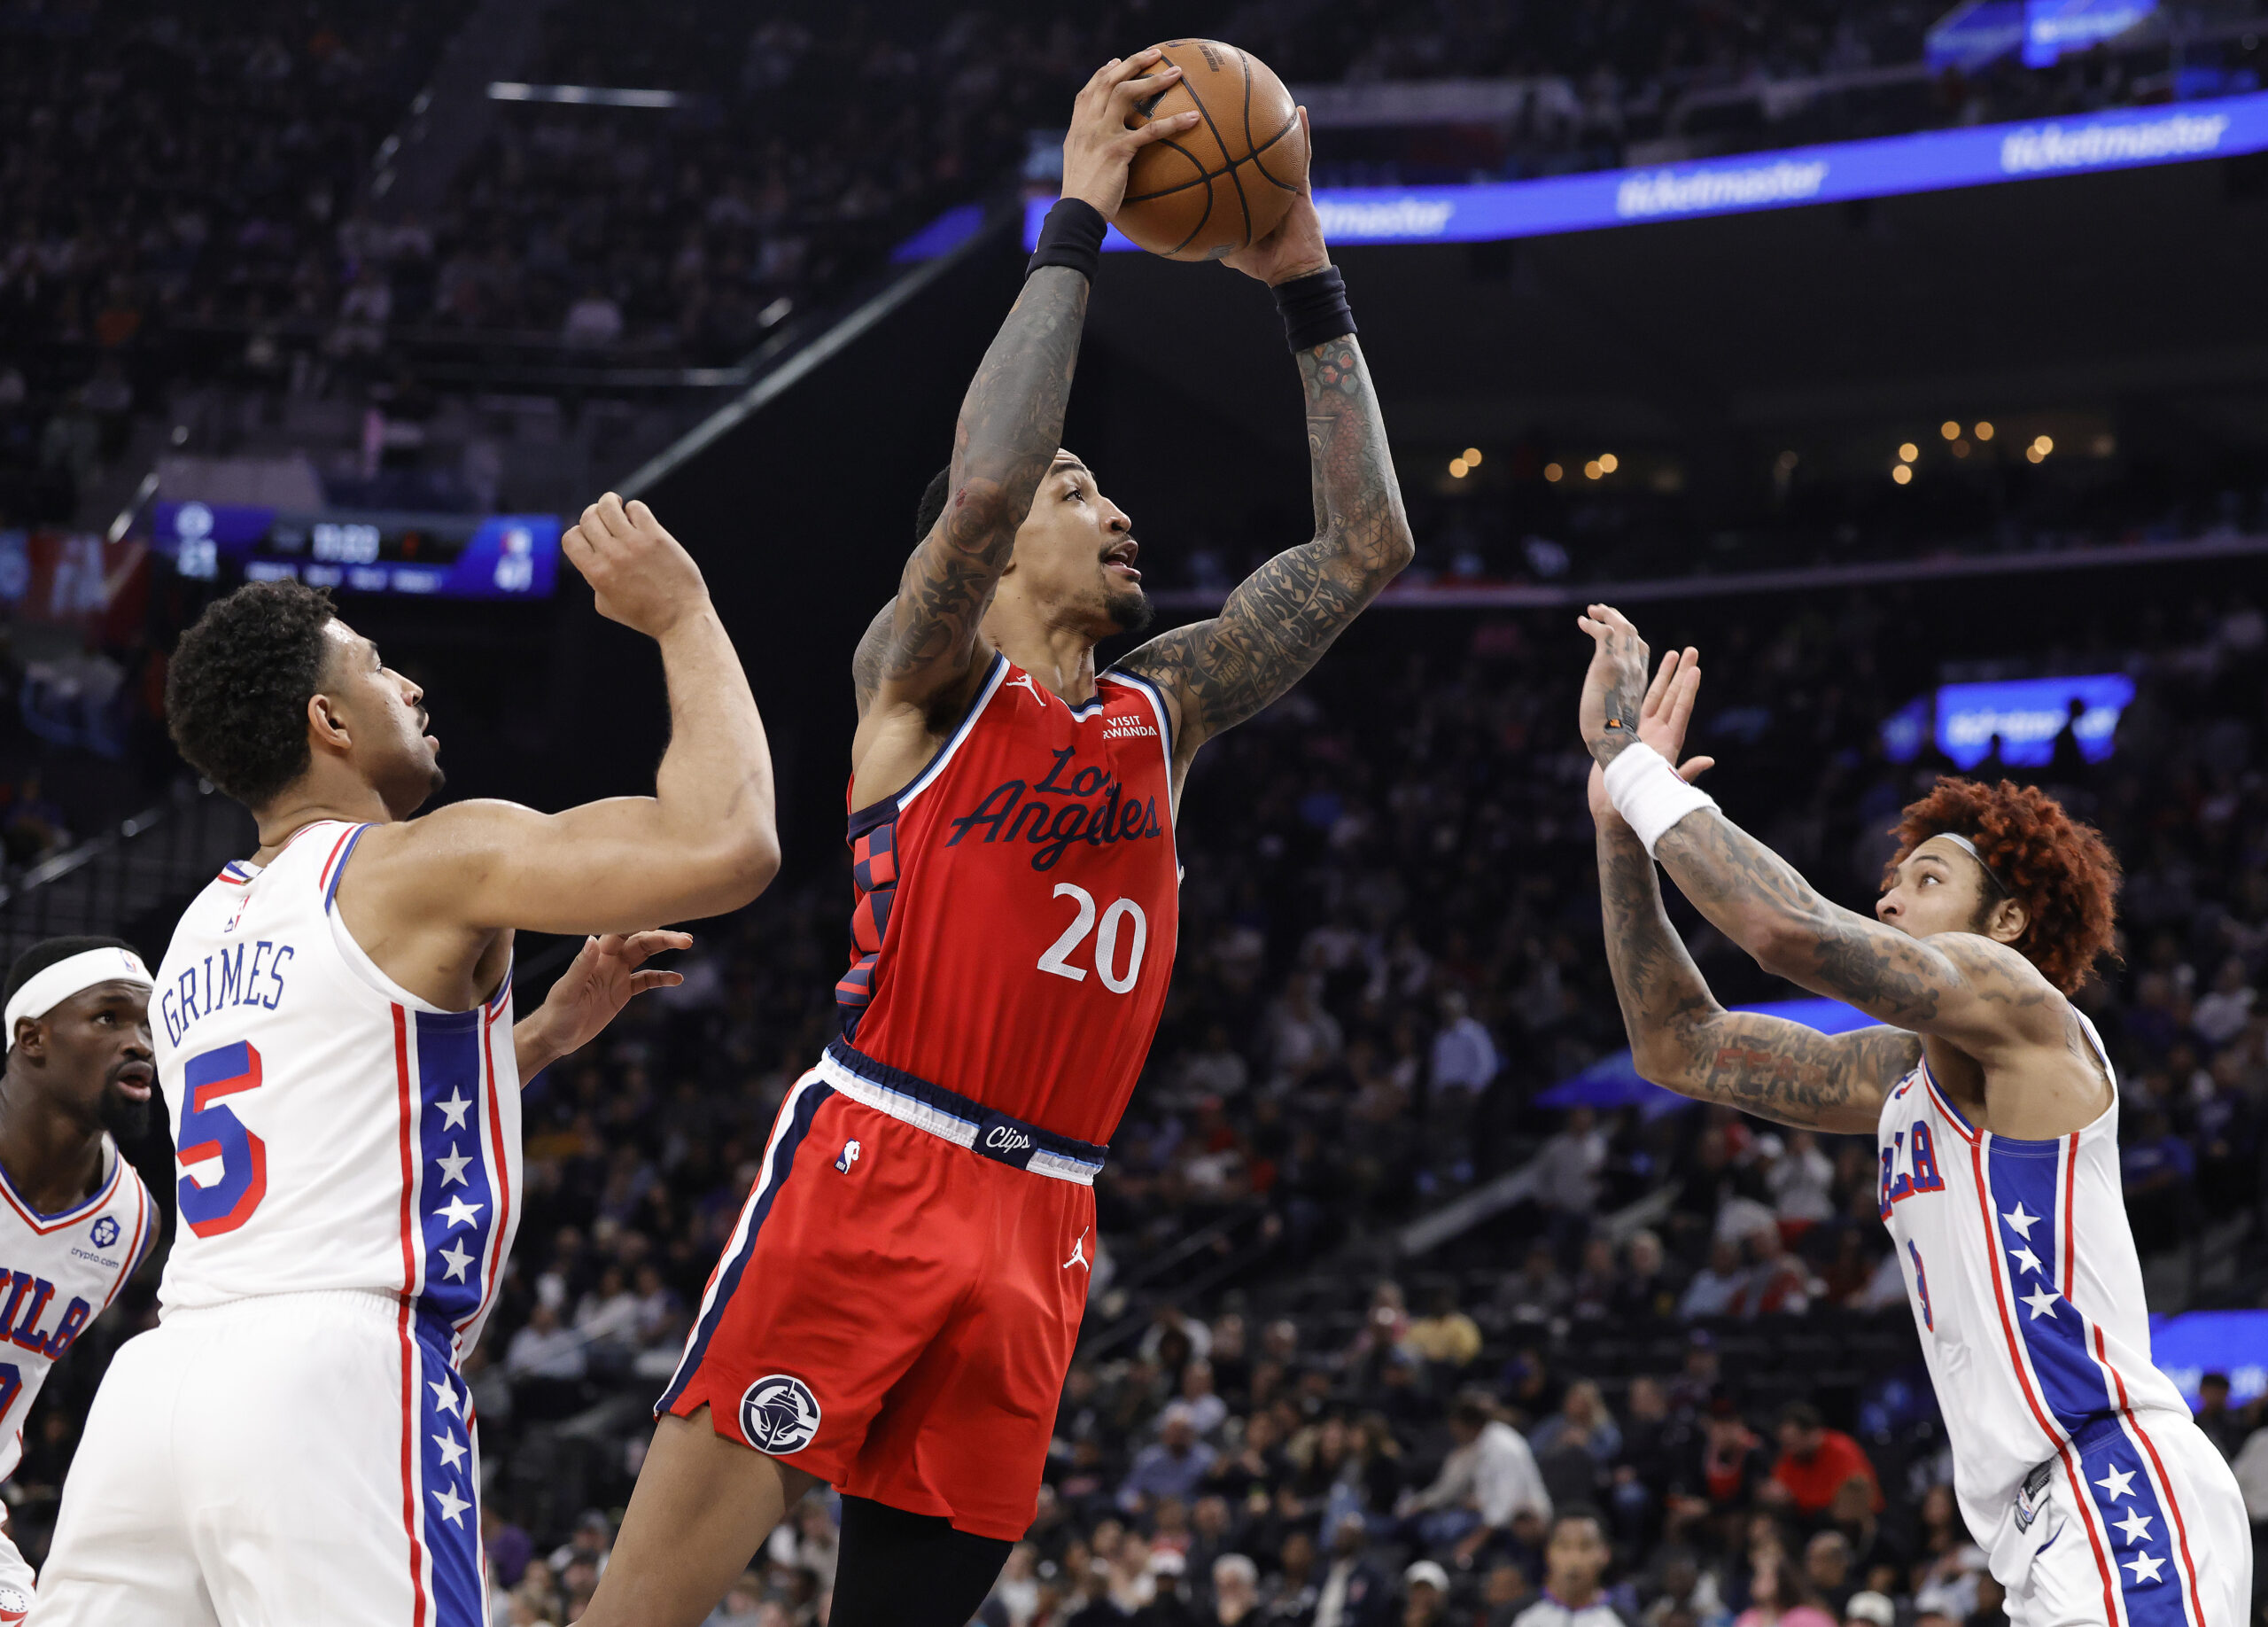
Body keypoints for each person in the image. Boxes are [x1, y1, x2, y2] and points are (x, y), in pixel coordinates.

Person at [582, 47, 1411, 1627]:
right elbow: (981, 486)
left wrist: (1304, 275)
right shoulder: (922, 678)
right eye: (1081, 489)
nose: (1116, 514)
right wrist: (1078, 222)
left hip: (1049, 1219)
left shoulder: (1164, 713)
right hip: (878, 1159)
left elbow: (1365, 543)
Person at [39, 492, 780, 1625]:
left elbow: (331, 1119)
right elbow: (727, 844)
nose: (415, 688)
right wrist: (683, 613)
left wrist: (535, 1039)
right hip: (331, 1381)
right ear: (328, 722)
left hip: (154, 1397)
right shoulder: (420, 863)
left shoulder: (198, 931)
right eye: (383, 669)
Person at [1578, 607, 2256, 1627]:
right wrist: (1617, 833)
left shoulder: (2023, 1009)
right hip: (2033, 1537)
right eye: (1891, 880)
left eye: (1926, 879)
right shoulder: (1899, 1077)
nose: (1890, 898)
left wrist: (1634, 767)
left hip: (2113, 1487)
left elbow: (1783, 931)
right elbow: (1678, 1044)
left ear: (2009, 922)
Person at [0, 938, 161, 1621]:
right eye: (109, 1019)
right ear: (32, 1039)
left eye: (148, 1025)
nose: (141, 1043)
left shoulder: (131, 1222)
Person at [1510, 1508, 1627, 1627]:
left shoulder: (1624, 1621)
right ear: (1548, 1552)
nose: (1574, 1559)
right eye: (1564, 1546)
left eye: (1585, 1547)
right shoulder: (1515, 1615)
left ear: (1605, 1554)